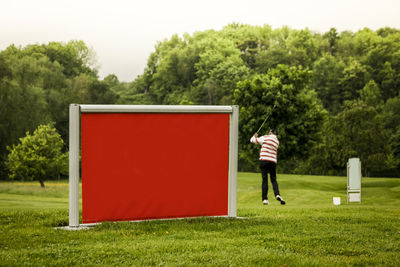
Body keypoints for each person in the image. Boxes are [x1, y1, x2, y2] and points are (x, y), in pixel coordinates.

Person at [250, 129, 286, 205]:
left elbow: (252, 140)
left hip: (264, 160)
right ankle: (277, 194)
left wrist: (254, 136)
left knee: (265, 180)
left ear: (270, 132)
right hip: (273, 162)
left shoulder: (266, 137)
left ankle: (265, 199)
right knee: (273, 180)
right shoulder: (277, 141)